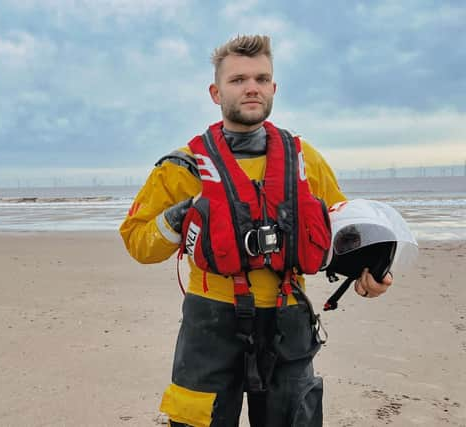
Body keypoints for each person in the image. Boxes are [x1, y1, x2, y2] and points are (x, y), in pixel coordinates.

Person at [119, 35, 394, 427]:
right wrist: (181, 216)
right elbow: (137, 241)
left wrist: (368, 271)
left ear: (273, 88)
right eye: (238, 80)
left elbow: (341, 226)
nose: (252, 87)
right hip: (211, 323)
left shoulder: (303, 158)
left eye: (262, 79)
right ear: (215, 92)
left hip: (289, 320)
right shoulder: (183, 167)